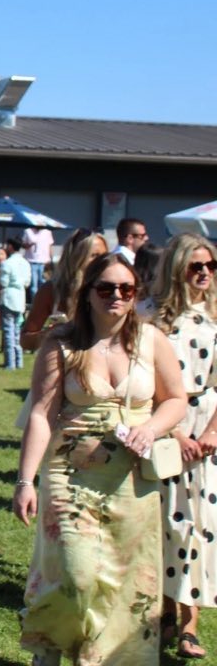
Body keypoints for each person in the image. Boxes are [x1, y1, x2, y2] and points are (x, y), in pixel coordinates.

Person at [13, 253, 186, 664]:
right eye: (106, 288)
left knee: (127, 581)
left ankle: (105, 658)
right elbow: (42, 412)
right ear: (88, 293)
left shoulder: (152, 339)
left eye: (126, 289)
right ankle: (52, 648)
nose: (117, 297)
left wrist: (152, 427)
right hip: (69, 474)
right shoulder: (62, 341)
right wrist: (25, 481)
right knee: (76, 574)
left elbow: (176, 400)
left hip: (131, 479)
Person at [148, 233, 217, 659]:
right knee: (167, 525)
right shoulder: (151, 318)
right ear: (177, 269)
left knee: (199, 525)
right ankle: (167, 614)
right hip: (164, 427)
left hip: (208, 427)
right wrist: (175, 432)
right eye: (196, 266)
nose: (205, 273)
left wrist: (209, 434)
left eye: (211, 266)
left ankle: (188, 622)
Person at [20, 228, 107, 353]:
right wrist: (48, 334)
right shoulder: (52, 291)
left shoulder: (114, 291)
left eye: (104, 256)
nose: (101, 262)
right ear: (76, 258)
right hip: (64, 366)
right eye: (94, 256)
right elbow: (26, 341)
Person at [0, 237, 32, 370]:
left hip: (9, 297)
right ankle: (19, 362)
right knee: (17, 331)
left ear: (11, 247)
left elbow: (3, 282)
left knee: (8, 331)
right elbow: (27, 282)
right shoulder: (25, 263)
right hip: (20, 298)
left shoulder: (7, 263)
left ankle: (10, 363)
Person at [22, 226, 54, 298]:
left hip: (44, 262)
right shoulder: (28, 231)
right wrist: (30, 244)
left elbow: (50, 246)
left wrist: (51, 260)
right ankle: (35, 303)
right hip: (31, 262)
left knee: (44, 283)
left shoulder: (48, 232)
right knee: (34, 286)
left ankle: (43, 301)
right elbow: (23, 244)